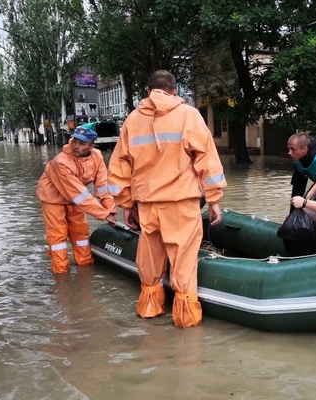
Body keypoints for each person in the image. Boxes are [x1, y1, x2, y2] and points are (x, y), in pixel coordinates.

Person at [107, 70, 226, 328]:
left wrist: (126, 204)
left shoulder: (132, 120)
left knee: (150, 258)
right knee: (183, 259)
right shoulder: (189, 116)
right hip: (181, 202)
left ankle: (149, 310)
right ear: (175, 91)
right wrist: (215, 199)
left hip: (147, 204)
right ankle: (185, 320)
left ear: (148, 92)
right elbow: (207, 160)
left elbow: (118, 168)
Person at [36, 126, 117, 274]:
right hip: (53, 199)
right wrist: (103, 214)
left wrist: (111, 209)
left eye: (82, 143)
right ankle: (61, 274)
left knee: (80, 233)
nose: (76, 146)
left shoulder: (97, 156)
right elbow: (78, 193)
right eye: (75, 141)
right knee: (58, 237)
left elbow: (103, 186)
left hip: (76, 199)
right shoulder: (61, 161)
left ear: (92, 146)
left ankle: (85, 268)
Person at [287, 132, 316, 212]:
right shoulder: (298, 162)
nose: (289, 153)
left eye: (293, 149)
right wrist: (292, 216)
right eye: (289, 149)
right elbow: (297, 192)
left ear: (304, 149)